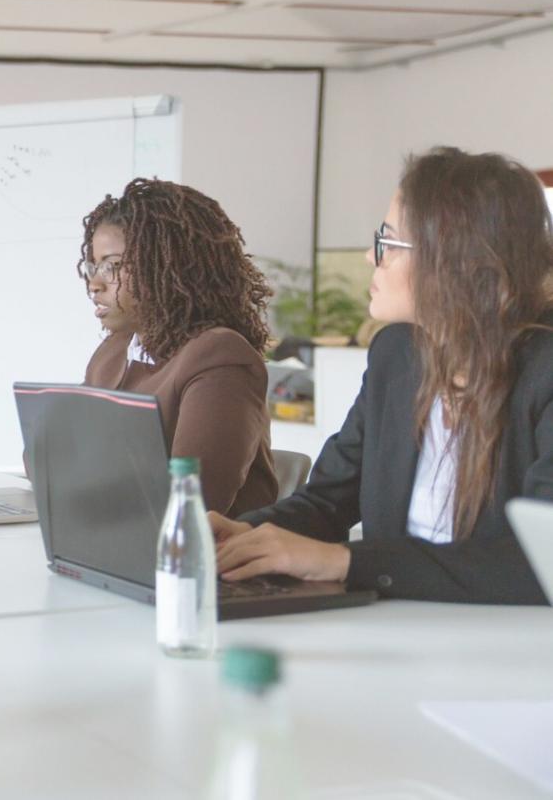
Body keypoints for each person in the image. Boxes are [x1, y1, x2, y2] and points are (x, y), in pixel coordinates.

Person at [214, 148, 553, 605]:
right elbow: (327, 501)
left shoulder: (543, 372)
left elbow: (538, 561)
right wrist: (244, 535)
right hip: (393, 632)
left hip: (510, 650)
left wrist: (347, 562)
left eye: (388, 243)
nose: (370, 257)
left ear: (458, 262)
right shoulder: (397, 355)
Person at [78, 178, 278, 515]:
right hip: (117, 540)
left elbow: (192, 501)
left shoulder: (219, 357)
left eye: (113, 266)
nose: (95, 284)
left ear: (172, 268)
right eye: (94, 266)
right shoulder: (112, 353)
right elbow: (54, 456)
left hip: (203, 560)